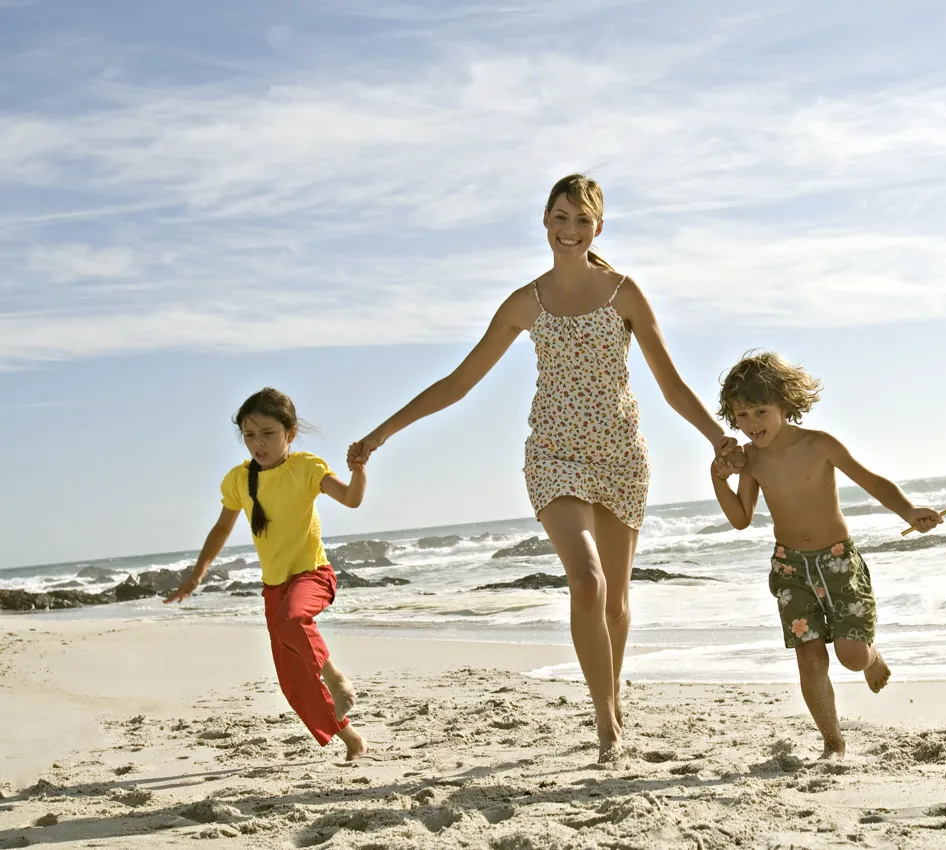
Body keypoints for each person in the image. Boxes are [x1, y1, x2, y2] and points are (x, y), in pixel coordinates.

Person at [347, 174, 740, 762]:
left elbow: (671, 385)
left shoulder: (624, 293)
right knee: (587, 580)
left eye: (582, 220)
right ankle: (606, 721)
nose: (570, 229)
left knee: (616, 602)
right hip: (553, 456)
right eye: (561, 216)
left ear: (598, 227)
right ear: (545, 220)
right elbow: (458, 383)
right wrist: (382, 433)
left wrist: (717, 439)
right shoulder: (526, 303)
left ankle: (611, 696)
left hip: (621, 456)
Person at [709, 351, 942, 759]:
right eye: (741, 415)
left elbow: (871, 481)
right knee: (810, 659)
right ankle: (832, 741)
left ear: (784, 403)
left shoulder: (820, 445)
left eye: (760, 411)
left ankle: (870, 657)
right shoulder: (752, 461)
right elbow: (742, 519)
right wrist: (718, 480)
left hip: (837, 561)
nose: (751, 424)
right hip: (790, 568)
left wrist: (908, 510)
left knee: (851, 657)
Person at [166, 387, 368, 762]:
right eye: (249, 435)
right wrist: (198, 573)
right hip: (273, 587)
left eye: (268, 434)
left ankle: (337, 678)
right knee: (293, 680)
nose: (257, 444)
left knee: (293, 619)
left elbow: (352, 499)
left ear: (290, 433)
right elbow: (222, 528)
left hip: (312, 576)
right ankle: (352, 739)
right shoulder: (239, 480)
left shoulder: (307, 467)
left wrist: (358, 470)